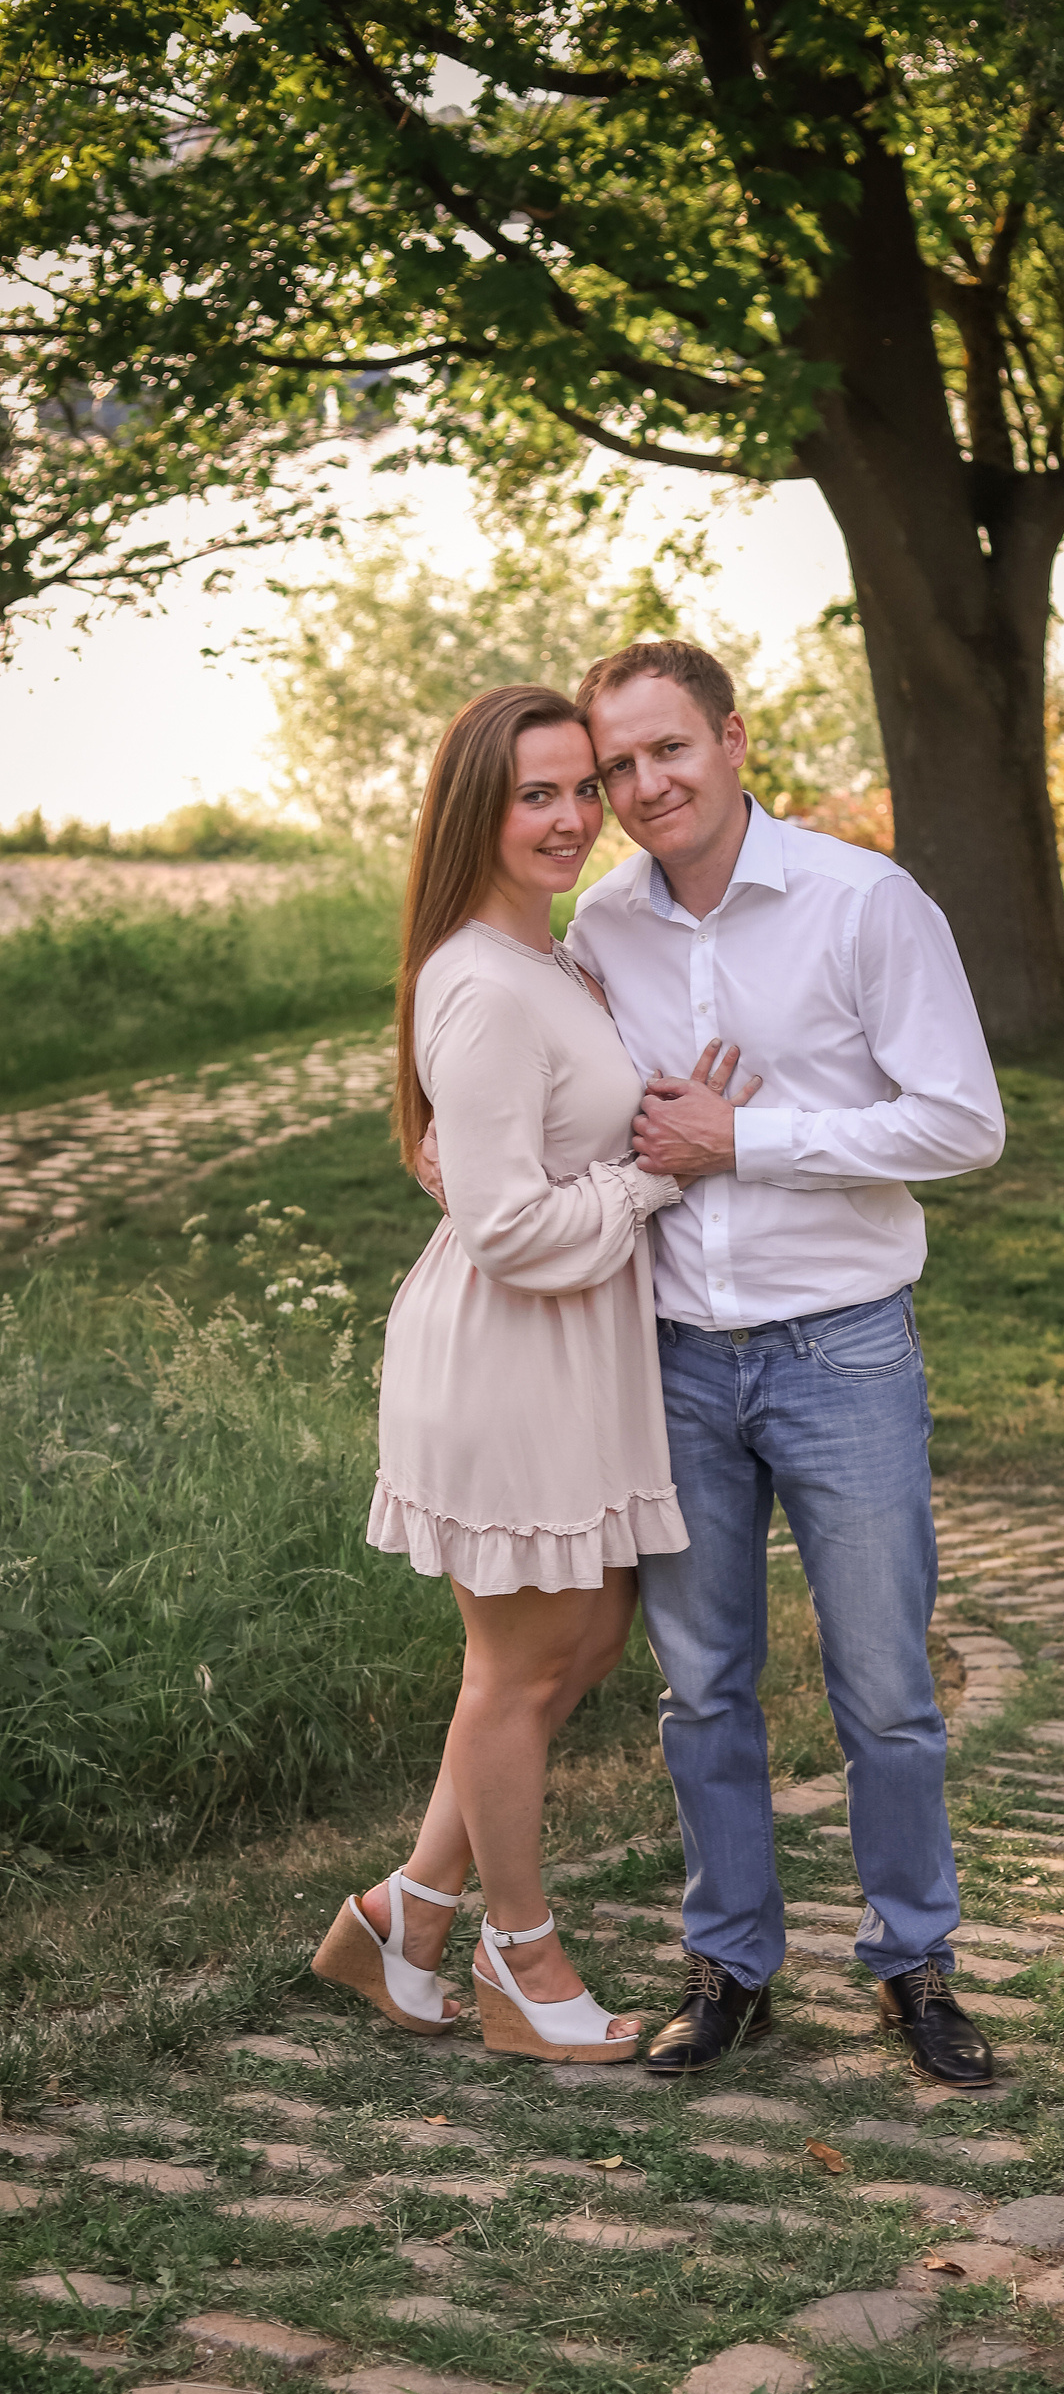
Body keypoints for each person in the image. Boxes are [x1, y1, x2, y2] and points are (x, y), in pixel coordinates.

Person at [570, 639, 1007, 2084]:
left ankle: (914, 1967)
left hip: (842, 1351)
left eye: (668, 751)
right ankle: (730, 1966)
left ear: (735, 739)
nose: (644, 786)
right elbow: (566, 1102)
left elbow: (961, 1122)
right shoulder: (604, 932)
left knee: (884, 1684)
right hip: (677, 1358)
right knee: (701, 1688)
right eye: (618, 764)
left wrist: (741, 1138)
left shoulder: (862, 904)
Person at [311, 683, 755, 2062]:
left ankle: (405, 1914)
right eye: (537, 796)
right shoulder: (484, 981)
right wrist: (645, 1183)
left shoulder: (546, 959)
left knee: (583, 1640)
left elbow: (503, 1154)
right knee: (515, 1668)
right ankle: (521, 1960)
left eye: (582, 788)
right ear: (476, 813)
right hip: (511, 1349)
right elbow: (504, 1227)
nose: (574, 819)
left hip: (569, 1349)